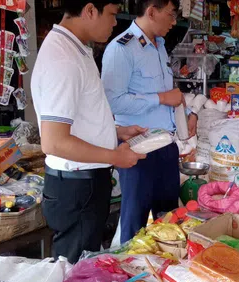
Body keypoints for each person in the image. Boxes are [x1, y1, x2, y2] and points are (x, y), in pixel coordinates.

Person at [31, 0, 147, 263]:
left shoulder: (75, 49)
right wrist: (115, 157)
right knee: (75, 271)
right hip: (76, 188)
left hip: (82, 184)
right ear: (90, 10)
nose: (116, 23)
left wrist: (116, 131)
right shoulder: (63, 59)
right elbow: (54, 142)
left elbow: (79, 118)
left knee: (84, 265)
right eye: (112, 14)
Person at [101, 0, 198, 243]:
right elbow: (113, 102)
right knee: (135, 227)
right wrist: (162, 98)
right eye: (171, 14)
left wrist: (186, 116)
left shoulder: (160, 46)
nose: (174, 21)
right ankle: (131, 278)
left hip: (166, 147)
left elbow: (166, 94)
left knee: (169, 223)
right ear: (152, 12)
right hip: (138, 150)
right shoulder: (121, 48)